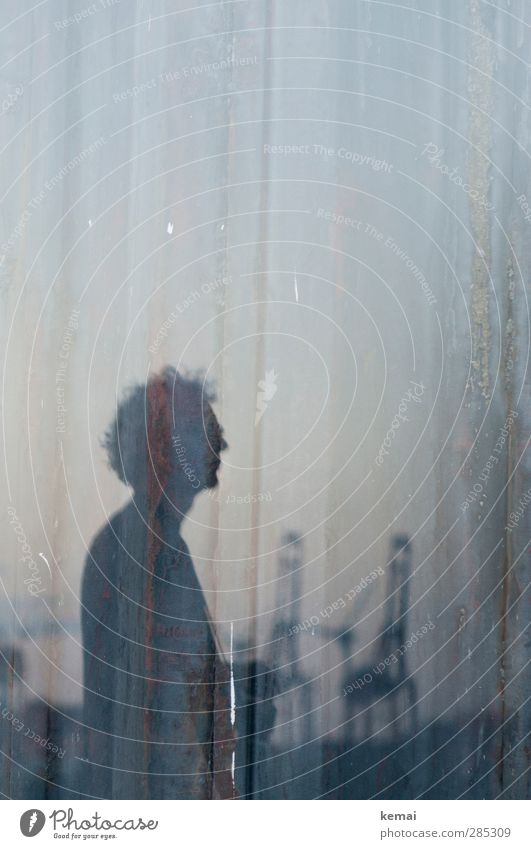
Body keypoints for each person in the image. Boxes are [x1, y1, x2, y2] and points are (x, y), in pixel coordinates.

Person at [80, 368, 235, 798]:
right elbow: (138, 708)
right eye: (196, 427)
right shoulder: (134, 548)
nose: (217, 438)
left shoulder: (158, 543)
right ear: (161, 448)